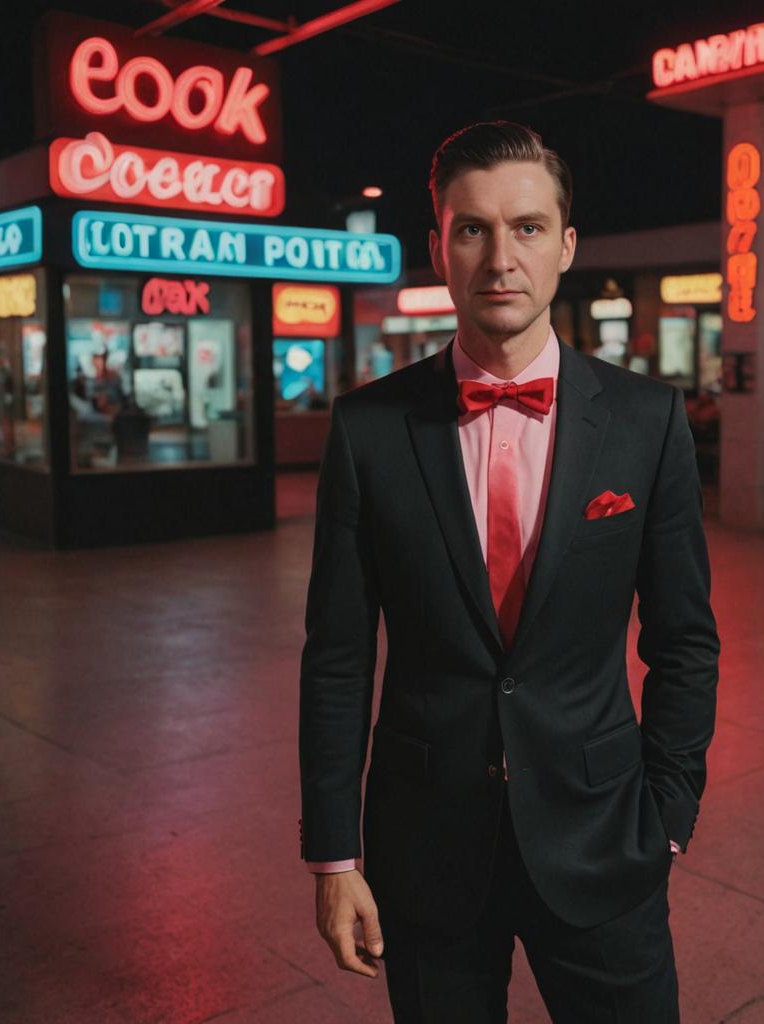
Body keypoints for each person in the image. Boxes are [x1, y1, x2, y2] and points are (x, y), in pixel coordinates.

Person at [298, 121, 720, 1023]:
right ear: (438, 248)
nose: (501, 257)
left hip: (607, 839)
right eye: (473, 229)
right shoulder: (368, 429)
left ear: (566, 246)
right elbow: (336, 656)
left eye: (527, 227)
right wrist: (334, 859)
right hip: (425, 848)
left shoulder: (647, 421)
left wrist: (670, 816)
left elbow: (684, 637)